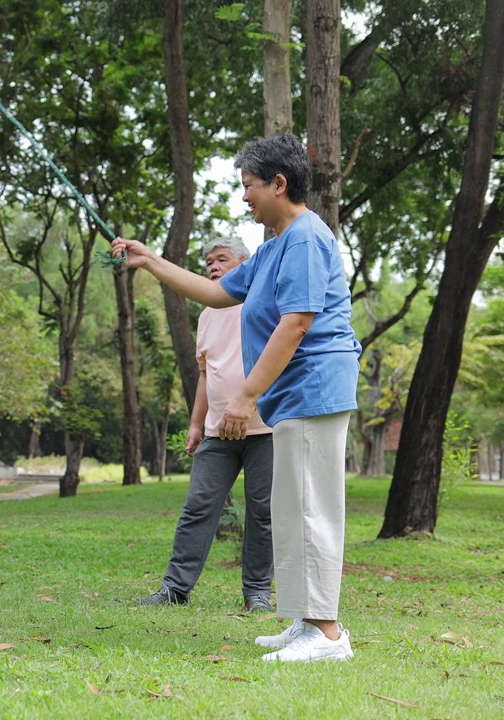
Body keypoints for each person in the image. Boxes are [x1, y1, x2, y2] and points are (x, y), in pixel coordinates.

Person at [112, 133, 360, 663]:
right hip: (294, 396)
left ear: (279, 183)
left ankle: (329, 634)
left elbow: (295, 324)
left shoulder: (307, 238)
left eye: (249, 186)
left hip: (315, 387)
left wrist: (246, 396)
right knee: (293, 509)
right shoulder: (273, 248)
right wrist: (151, 260)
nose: (244, 197)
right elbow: (217, 293)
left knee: (312, 508)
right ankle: (305, 622)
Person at [136, 237, 274, 613]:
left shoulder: (262, 303)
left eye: (222, 260)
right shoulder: (208, 314)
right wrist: (196, 424)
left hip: (266, 429)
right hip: (217, 432)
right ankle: (175, 589)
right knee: (198, 506)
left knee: (262, 511)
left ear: (244, 265)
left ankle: (257, 592)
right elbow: (205, 375)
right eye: (209, 262)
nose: (212, 266)